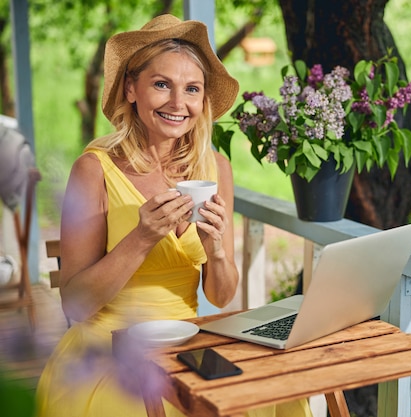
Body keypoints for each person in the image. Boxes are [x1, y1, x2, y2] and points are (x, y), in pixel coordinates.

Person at [36, 14, 312, 417]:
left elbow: (220, 294)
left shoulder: (216, 169)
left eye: (192, 89)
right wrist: (141, 238)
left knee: (280, 394)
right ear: (131, 89)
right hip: (108, 346)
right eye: (161, 84)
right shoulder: (94, 170)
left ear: (203, 101)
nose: (178, 104)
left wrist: (216, 250)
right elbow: (75, 305)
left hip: (189, 341)